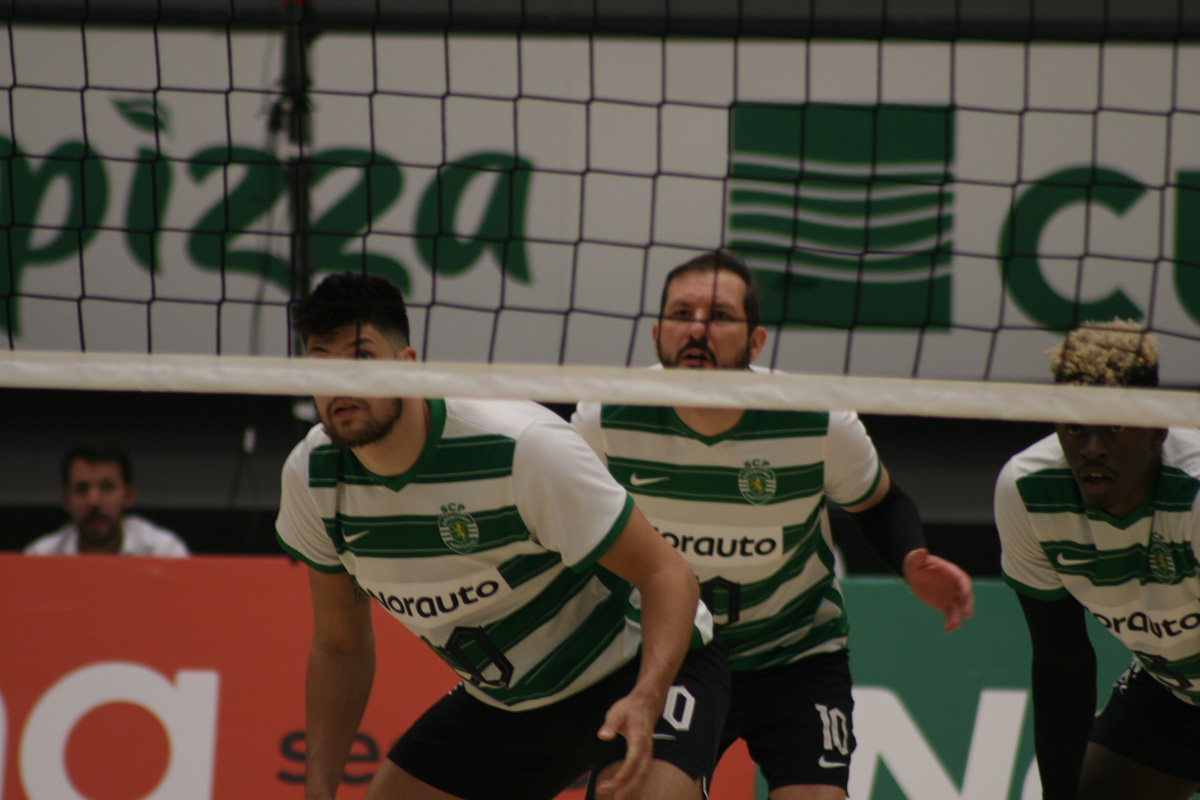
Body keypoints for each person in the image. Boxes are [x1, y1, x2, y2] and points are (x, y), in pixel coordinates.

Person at [275, 272, 729, 800]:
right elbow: (341, 646)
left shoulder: (521, 447)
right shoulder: (312, 478)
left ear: (407, 365)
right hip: (510, 702)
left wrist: (648, 696)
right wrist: (318, 789)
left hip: (633, 665)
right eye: (322, 363)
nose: (342, 383)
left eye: (361, 358)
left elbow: (667, 573)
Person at [571, 250, 974, 800]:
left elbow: (881, 503)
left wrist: (911, 561)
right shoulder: (606, 416)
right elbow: (569, 526)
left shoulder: (815, 417)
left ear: (756, 342)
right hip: (671, 652)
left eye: (719, 316)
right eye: (682, 314)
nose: (697, 329)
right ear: (657, 333)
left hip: (795, 653)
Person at [995, 319, 1200, 800]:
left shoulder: (1193, 493)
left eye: (1114, 427)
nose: (1092, 449)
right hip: (1174, 688)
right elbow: (1060, 661)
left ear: (1156, 428)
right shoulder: (1028, 492)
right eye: (1075, 427)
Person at [25, 443, 189, 556]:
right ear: (66, 500)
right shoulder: (40, 557)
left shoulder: (163, 552)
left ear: (129, 495)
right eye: (82, 489)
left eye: (107, 487)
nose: (93, 501)